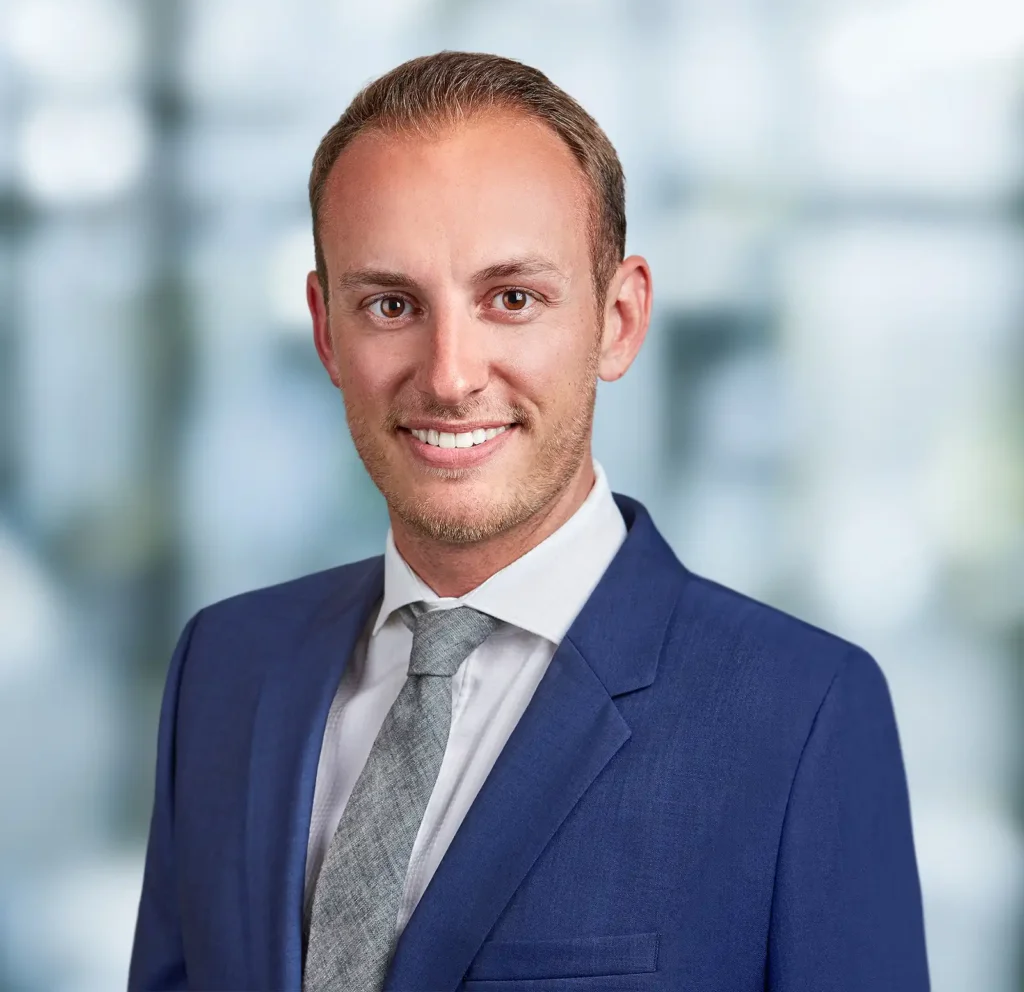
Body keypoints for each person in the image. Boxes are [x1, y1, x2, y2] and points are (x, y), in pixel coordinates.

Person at [128, 51, 930, 991]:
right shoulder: (225, 668)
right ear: (324, 329)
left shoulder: (801, 717)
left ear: (618, 320)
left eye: (513, 299)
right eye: (391, 304)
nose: (450, 375)